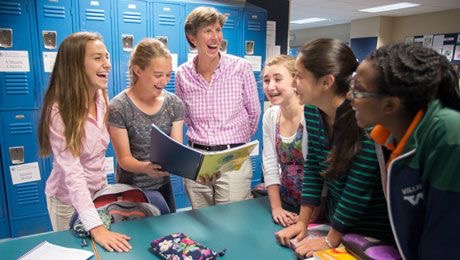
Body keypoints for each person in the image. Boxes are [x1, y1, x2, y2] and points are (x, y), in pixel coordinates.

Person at [275, 38, 392, 258]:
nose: (293, 84)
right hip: (335, 220)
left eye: (299, 76)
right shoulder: (311, 110)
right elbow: (313, 166)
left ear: (326, 82)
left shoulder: (364, 116)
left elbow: (359, 186)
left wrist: (331, 238)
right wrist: (303, 221)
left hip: (370, 230)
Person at [349, 43, 460, 260]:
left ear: (390, 105)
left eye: (358, 91)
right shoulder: (389, 137)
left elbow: (446, 240)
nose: (349, 97)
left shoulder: (449, 137)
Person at [38, 32, 131, 252]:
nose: (107, 64)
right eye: (98, 58)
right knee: (76, 253)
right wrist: (96, 227)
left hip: (97, 194)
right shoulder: (58, 110)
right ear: (75, 65)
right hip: (67, 200)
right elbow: (73, 172)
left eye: (106, 57)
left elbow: (97, 157)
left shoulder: (101, 98)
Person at [175, 6, 261, 209]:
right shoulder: (182, 74)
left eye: (218, 30)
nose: (215, 38)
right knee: (202, 223)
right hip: (197, 161)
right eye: (207, 31)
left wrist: (234, 145)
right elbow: (183, 117)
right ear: (192, 37)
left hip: (233, 159)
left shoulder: (240, 67)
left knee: (232, 222)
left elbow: (254, 113)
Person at [108, 38, 184, 214]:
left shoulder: (174, 104)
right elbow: (124, 158)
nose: (164, 81)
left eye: (168, 74)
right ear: (137, 70)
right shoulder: (119, 107)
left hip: (163, 187)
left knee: (168, 235)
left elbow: (176, 148)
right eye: (158, 75)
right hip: (131, 191)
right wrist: (145, 168)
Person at [261, 55, 308, 227]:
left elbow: (319, 173)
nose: (270, 86)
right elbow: (270, 162)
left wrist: (306, 218)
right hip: (286, 200)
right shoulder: (271, 116)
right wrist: (276, 208)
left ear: (295, 81)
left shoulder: (310, 115)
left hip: (315, 206)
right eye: (266, 80)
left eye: (278, 79)